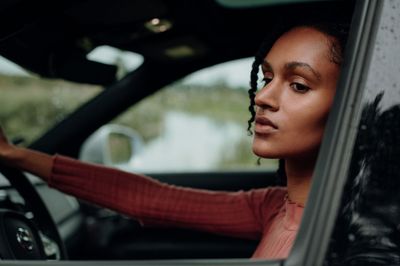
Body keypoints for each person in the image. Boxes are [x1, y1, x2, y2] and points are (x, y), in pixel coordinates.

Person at [0, 21, 348, 259]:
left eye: (298, 85)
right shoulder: (276, 206)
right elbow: (151, 199)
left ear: (351, 106)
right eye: (267, 77)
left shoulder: (345, 237)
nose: (262, 97)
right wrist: (17, 156)